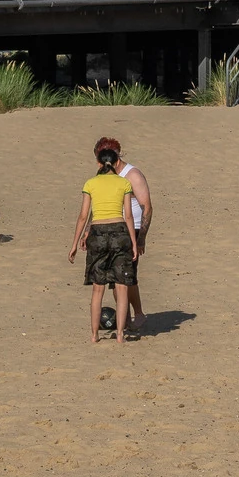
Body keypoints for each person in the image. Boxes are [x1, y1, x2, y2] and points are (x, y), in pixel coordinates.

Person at [69, 137, 140, 341]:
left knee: (97, 290)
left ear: (99, 163)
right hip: (119, 232)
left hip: (98, 233)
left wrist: (75, 243)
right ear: (116, 162)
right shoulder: (124, 183)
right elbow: (128, 216)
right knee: (121, 286)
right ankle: (119, 334)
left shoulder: (91, 183)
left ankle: (94, 335)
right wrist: (134, 243)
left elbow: (83, 216)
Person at [113, 145, 156, 335]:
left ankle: (138, 314)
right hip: (112, 229)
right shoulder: (106, 176)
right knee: (115, 280)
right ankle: (126, 318)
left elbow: (147, 207)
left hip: (134, 229)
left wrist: (141, 239)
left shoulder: (133, 175)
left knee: (128, 277)